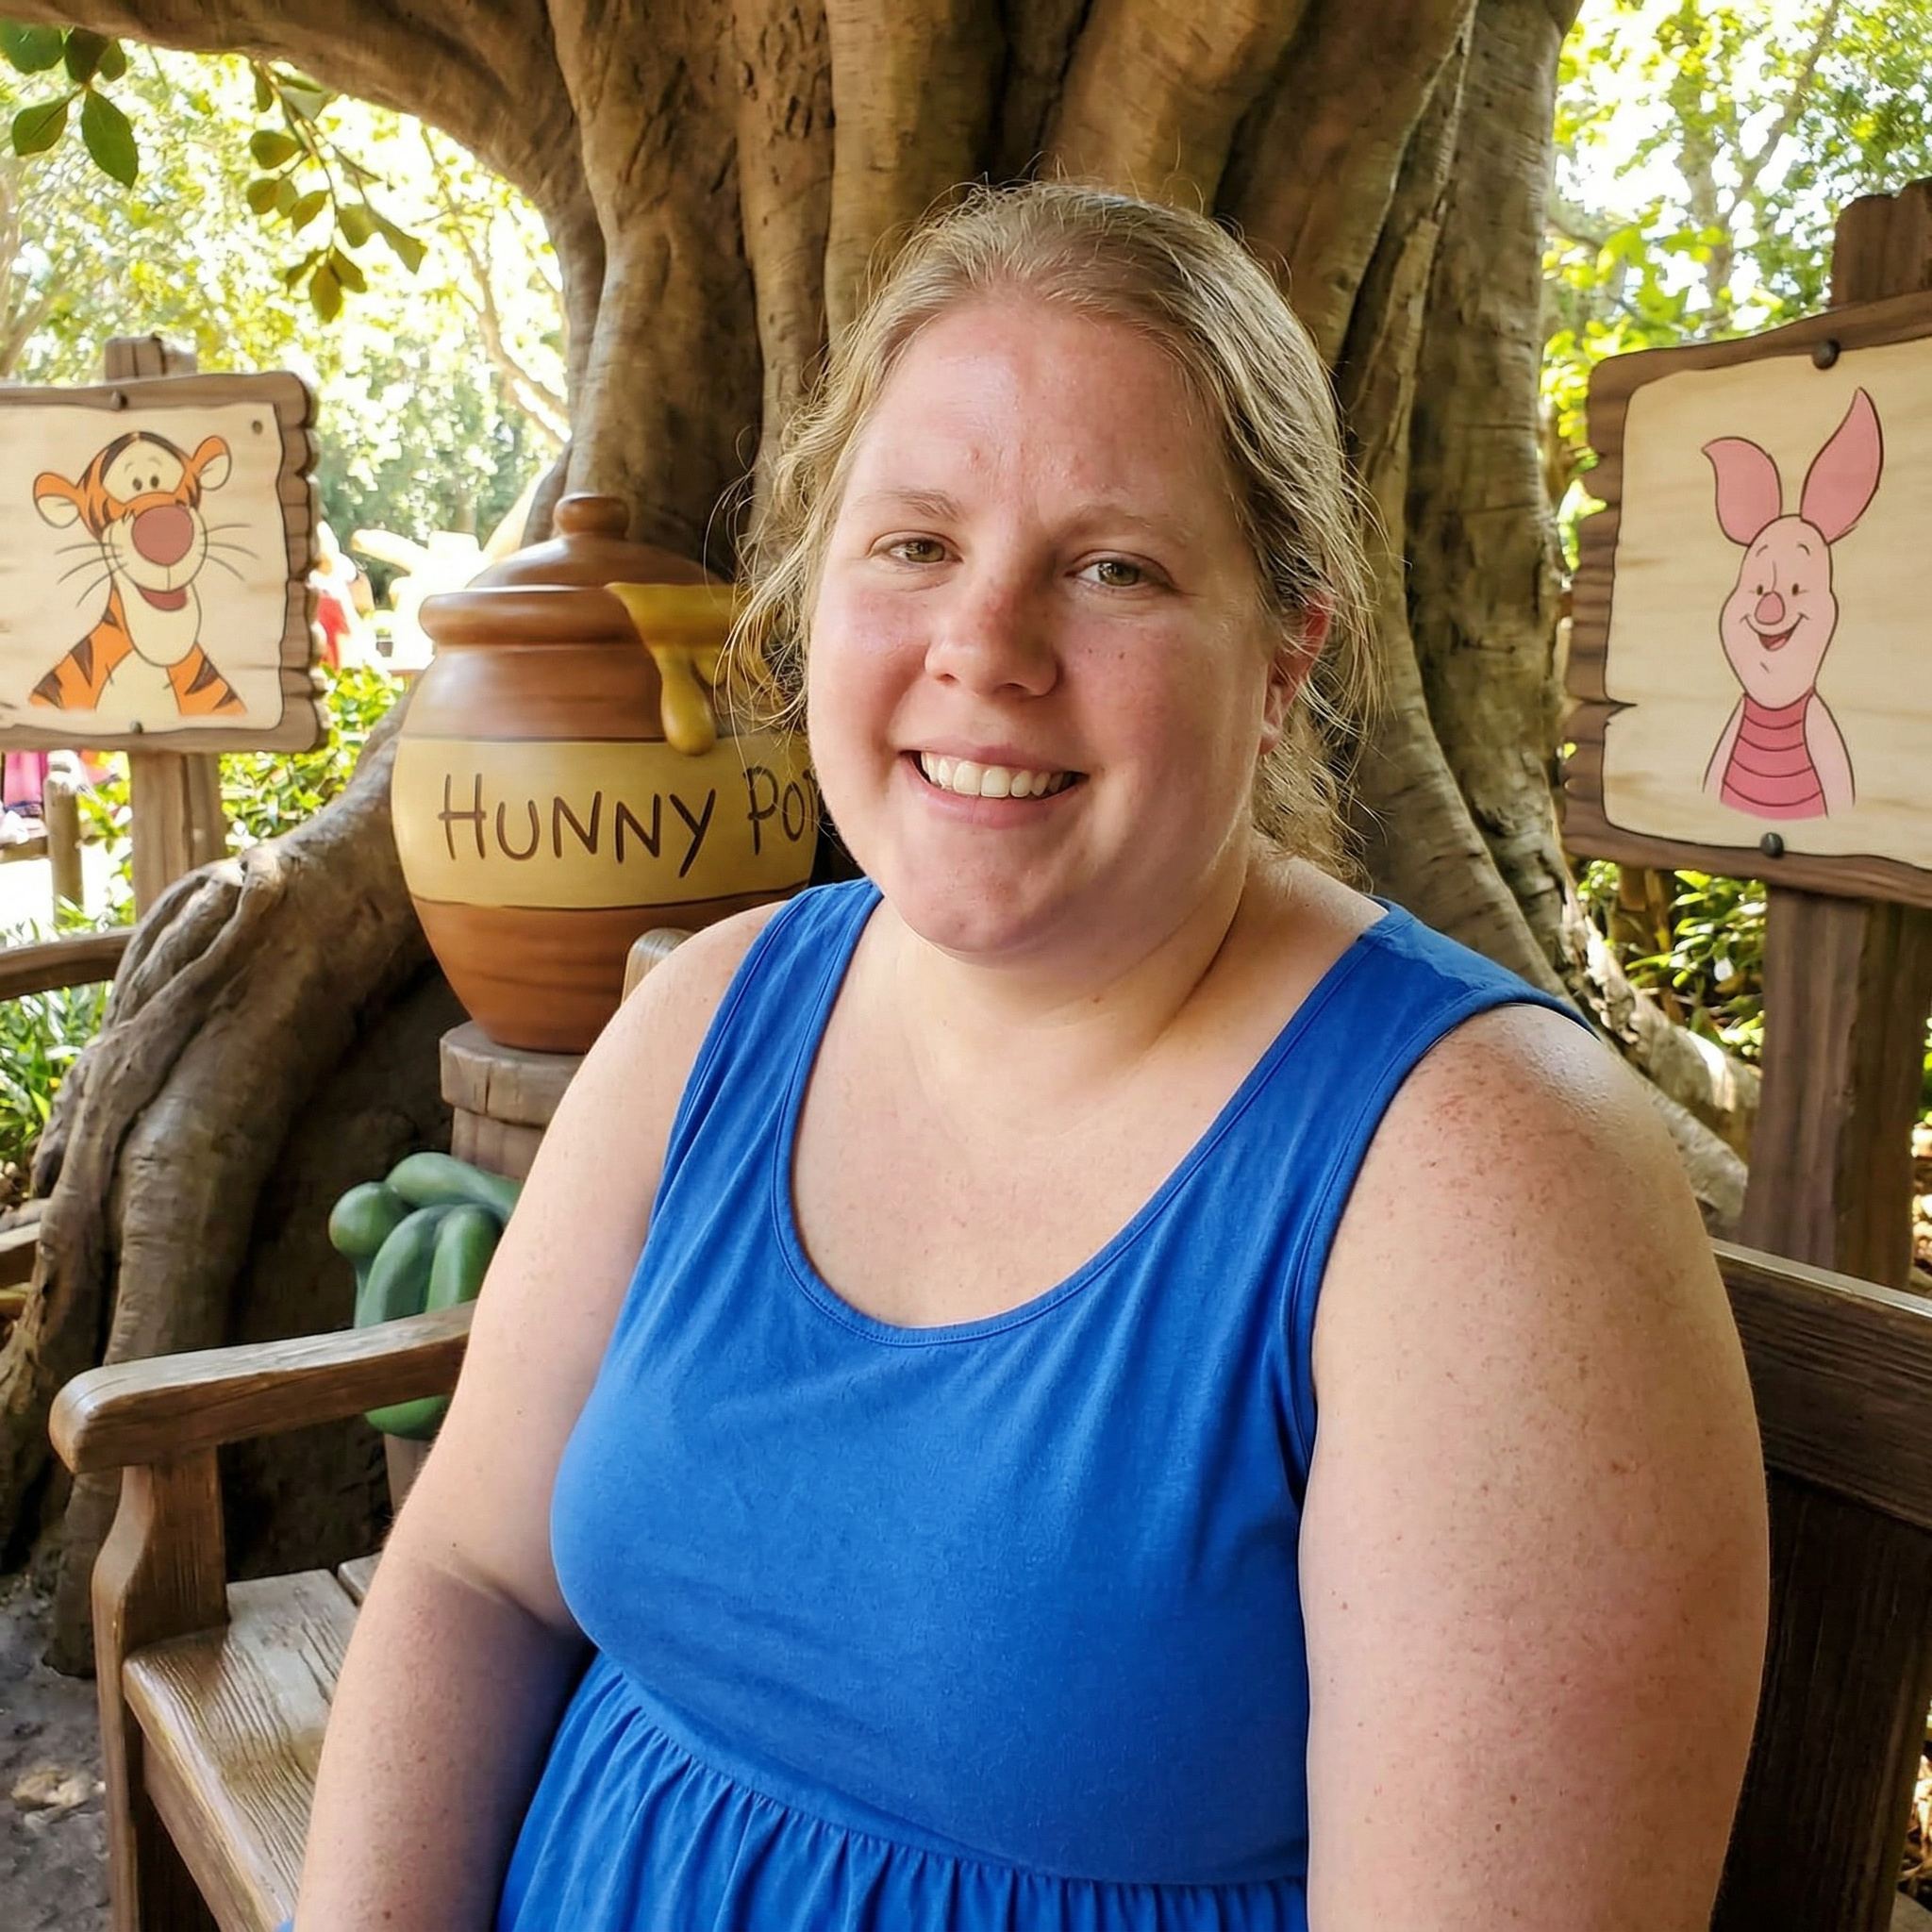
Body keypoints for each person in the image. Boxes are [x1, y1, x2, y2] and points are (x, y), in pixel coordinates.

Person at [296, 183, 1768, 1931]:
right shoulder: (710, 1015)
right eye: (916, 545)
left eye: (1112, 567)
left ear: (1284, 656)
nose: (983, 650)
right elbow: (472, 1577)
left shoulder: (1489, 1181)